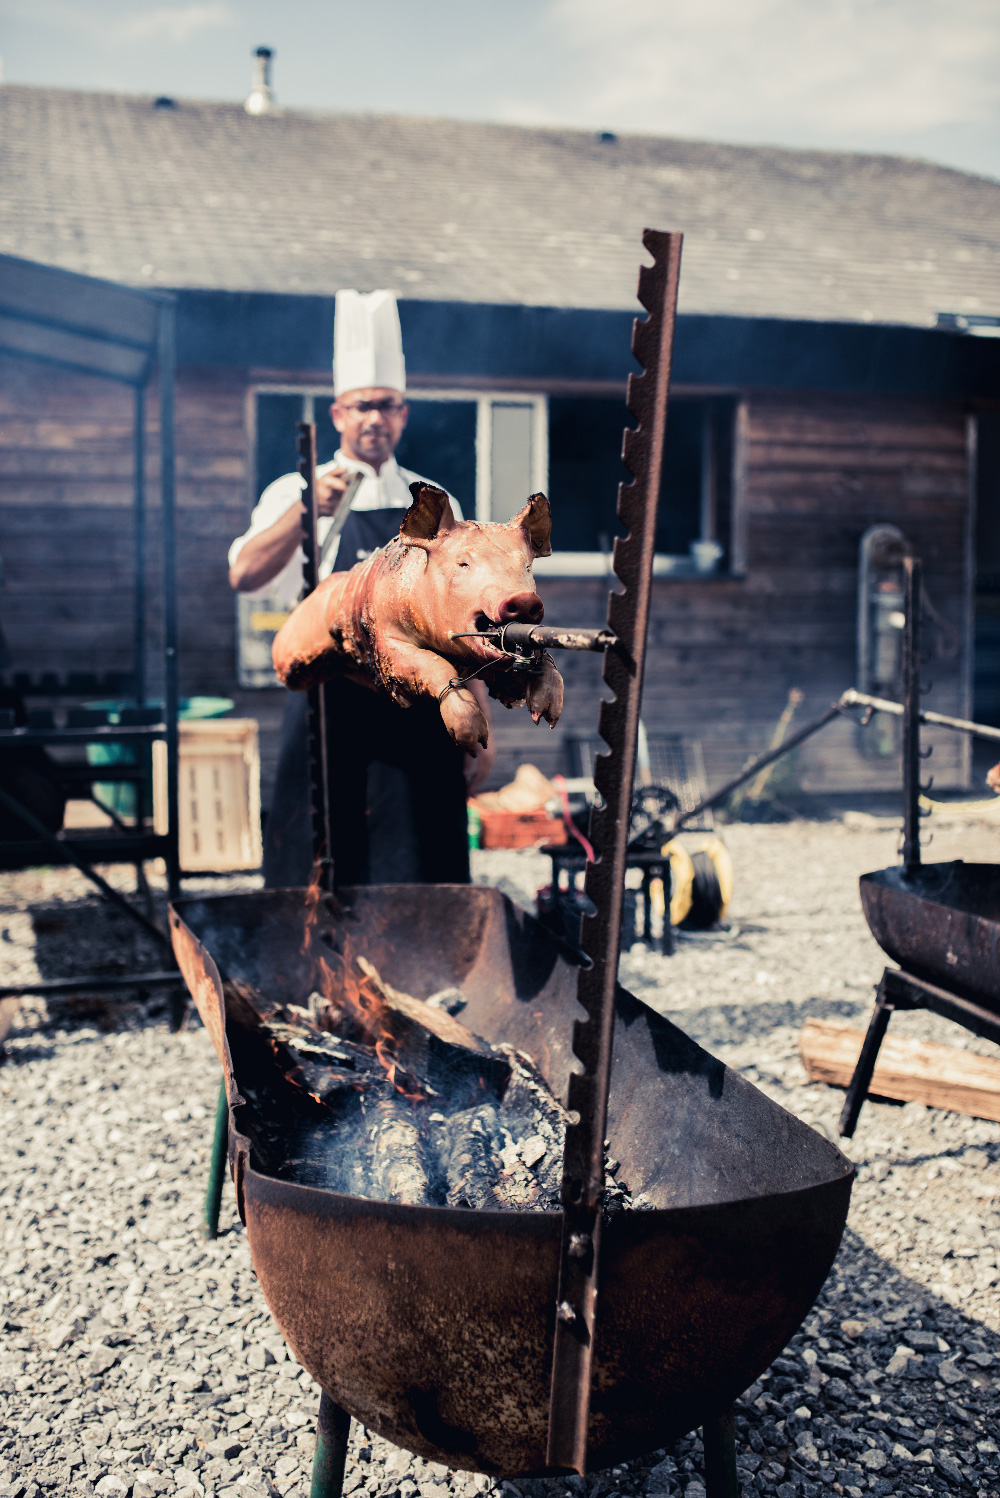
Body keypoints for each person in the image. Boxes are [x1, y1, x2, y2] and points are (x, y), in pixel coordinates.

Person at [229, 289, 492, 888]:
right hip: (330, 701)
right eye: (362, 405)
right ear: (338, 415)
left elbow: (463, 624)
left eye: (388, 405)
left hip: (419, 704)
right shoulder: (295, 490)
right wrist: (303, 511)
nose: (375, 417)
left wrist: (482, 721)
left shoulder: (432, 502)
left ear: (403, 415)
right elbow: (243, 575)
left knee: (420, 853)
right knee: (320, 849)